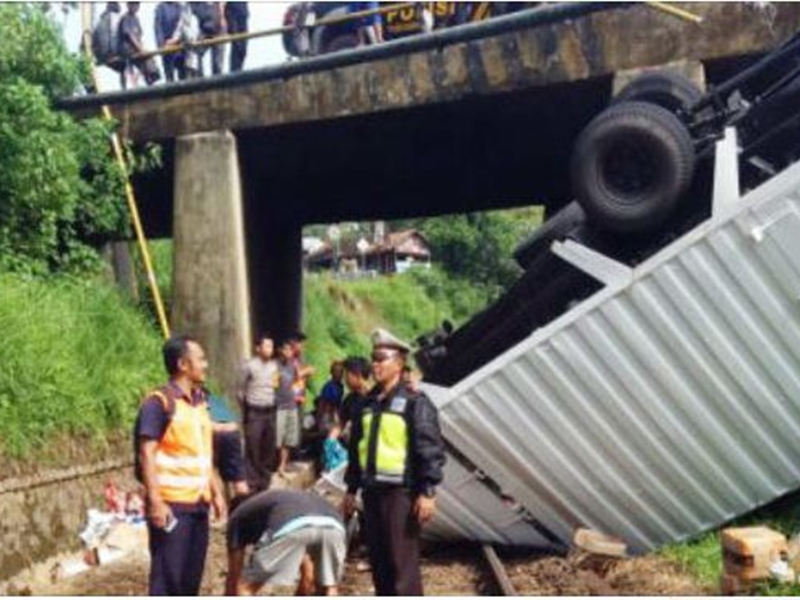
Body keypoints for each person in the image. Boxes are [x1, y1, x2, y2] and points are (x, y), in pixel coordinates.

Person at [343, 328, 446, 596]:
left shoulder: (415, 402)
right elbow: (357, 451)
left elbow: (429, 448)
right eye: (373, 358)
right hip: (372, 494)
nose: (374, 364)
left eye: (381, 358)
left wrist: (427, 491)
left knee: (402, 567)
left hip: (401, 495)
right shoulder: (366, 403)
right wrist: (351, 490)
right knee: (380, 565)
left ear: (399, 362)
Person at [135, 335, 226, 596]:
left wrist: (216, 491)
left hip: (198, 505)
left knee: (189, 582)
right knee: (167, 580)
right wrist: (155, 501)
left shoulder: (199, 403)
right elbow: (147, 453)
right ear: (183, 364)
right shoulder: (159, 403)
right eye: (200, 359)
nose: (205, 365)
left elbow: (201, 454)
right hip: (172, 506)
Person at [225, 490, 347, 596]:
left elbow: (234, 576)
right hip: (335, 526)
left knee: (246, 587)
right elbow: (308, 577)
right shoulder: (277, 502)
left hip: (292, 526)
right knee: (328, 587)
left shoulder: (236, 517)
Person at [237, 333, 279, 492]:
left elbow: (276, 385)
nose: (270, 349)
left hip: (270, 411)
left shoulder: (274, 366)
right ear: (258, 348)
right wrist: (246, 408)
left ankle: (265, 479)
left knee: (268, 447)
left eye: (272, 346)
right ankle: (253, 481)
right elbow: (240, 390)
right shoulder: (250, 366)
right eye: (267, 346)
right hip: (255, 411)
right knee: (253, 445)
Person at [208, 391, 250, 498]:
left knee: (213, 473)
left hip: (213, 431)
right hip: (232, 431)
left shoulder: (193, 400)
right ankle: (243, 507)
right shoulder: (216, 399)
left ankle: (221, 507)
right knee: (239, 482)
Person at [118, 2, 160, 89]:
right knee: (144, 58)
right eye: (133, 4)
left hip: (136, 49)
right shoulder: (125, 18)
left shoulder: (136, 19)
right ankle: (147, 81)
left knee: (148, 58)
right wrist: (141, 49)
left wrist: (142, 48)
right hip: (127, 50)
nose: (135, 6)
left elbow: (139, 36)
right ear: (128, 5)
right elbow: (130, 36)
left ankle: (151, 80)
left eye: (137, 4)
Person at [275, 339, 301, 477]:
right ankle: (276, 464)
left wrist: (296, 394)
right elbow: (272, 384)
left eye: (290, 350)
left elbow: (298, 381)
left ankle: (282, 465)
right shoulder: (275, 366)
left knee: (288, 439)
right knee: (278, 438)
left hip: (291, 405)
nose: (288, 353)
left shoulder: (293, 365)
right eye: (285, 350)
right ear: (280, 351)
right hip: (279, 406)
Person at [190, 2, 226, 76]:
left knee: (217, 62)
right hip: (204, 28)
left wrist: (222, 18)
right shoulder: (192, 5)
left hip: (217, 27)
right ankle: (200, 80)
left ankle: (218, 83)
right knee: (195, 53)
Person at [154, 1, 185, 82]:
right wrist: (162, 45)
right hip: (166, 46)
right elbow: (158, 27)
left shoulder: (179, 7)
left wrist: (176, 40)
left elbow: (183, 26)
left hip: (179, 45)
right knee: (169, 75)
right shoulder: (160, 8)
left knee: (182, 72)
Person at [339, 356, 371, 432]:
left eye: (347, 375)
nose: (345, 379)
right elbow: (341, 423)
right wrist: (330, 439)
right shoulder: (349, 399)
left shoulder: (374, 399)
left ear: (357, 375)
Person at [316, 360, 344, 431]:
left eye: (341, 372)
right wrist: (319, 420)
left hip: (336, 414)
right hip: (327, 415)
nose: (338, 374)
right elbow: (322, 403)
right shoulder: (328, 386)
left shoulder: (341, 386)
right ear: (332, 372)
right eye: (336, 371)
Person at [224, 1, 249, 72]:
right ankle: (234, 74)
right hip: (232, 12)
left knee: (243, 49)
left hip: (243, 13)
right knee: (237, 46)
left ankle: (238, 73)